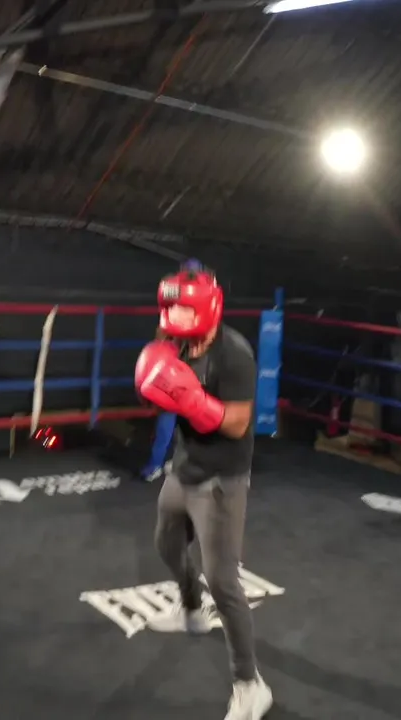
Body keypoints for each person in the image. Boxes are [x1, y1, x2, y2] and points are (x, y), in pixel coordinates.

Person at [134, 267, 272, 719]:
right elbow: (155, 390)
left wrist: (193, 401)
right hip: (184, 470)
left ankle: (250, 685)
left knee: (224, 581)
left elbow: (237, 423)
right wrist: (155, 388)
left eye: (183, 309)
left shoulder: (234, 354)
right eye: (169, 307)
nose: (173, 316)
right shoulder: (175, 341)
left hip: (220, 481)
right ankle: (192, 611)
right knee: (166, 544)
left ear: (206, 310)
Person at [141, 258, 207, 482]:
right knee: (169, 418)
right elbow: (161, 333)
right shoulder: (175, 301)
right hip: (176, 366)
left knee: (185, 421)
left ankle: (170, 463)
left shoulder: (201, 304)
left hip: (189, 366)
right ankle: (158, 464)